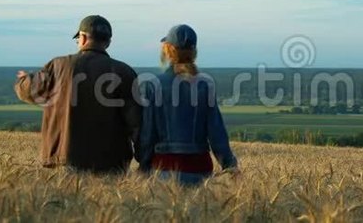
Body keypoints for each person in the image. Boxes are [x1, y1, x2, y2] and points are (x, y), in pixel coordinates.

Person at [14, 15, 141, 173]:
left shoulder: (58, 65)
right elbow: (136, 123)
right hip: (111, 165)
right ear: (108, 42)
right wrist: (145, 159)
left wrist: (25, 79)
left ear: (82, 37)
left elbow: (27, 90)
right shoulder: (125, 72)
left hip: (62, 162)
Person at [137, 24, 239, 186]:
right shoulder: (205, 85)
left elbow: (147, 133)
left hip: (164, 167)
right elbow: (216, 132)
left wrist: (143, 165)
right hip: (200, 168)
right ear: (194, 52)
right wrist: (229, 165)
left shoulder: (153, 85)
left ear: (168, 50)